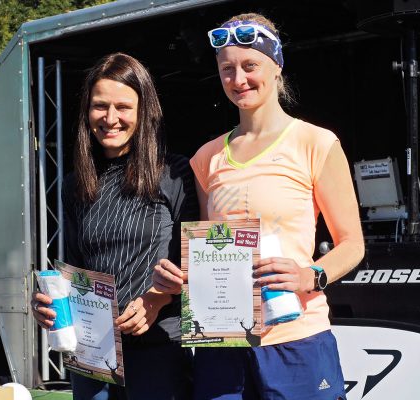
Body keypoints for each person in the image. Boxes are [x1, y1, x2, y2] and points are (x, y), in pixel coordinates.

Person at [153, 13, 365, 400]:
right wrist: (187, 279)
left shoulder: (315, 142)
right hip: (224, 341)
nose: (239, 80)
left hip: (295, 337)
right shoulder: (207, 157)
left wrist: (311, 275)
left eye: (250, 66)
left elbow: (352, 243)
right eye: (227, 69)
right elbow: (211, 248)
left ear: (276, 66)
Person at [31, 53, 198, 400]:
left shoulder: (176, 173)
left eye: (123, 106)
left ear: (143, 111)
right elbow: (75, 271)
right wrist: (49, 303)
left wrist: (157, 298)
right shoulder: (75, 185)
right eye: (99, 106)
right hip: (92, 354)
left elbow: (197, 262)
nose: (110, 118)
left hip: (159, 350)